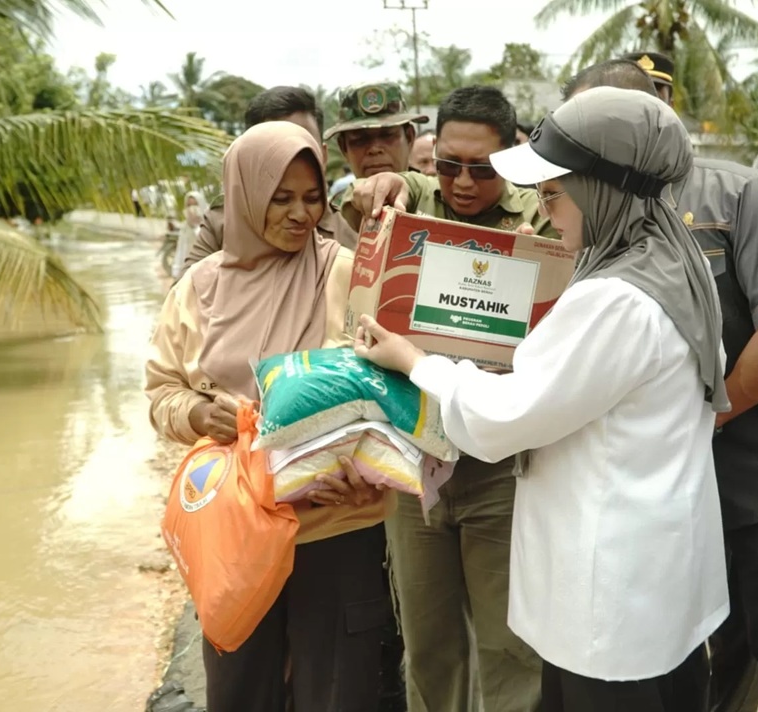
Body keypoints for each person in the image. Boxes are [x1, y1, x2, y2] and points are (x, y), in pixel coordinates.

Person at [355, 86, 730, 712]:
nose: (548, 213)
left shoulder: (610, 298)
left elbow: (504, 418)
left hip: (608, 591)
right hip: (658, 572)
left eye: (554, 194)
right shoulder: (676, 260)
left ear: (601, 189)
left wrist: (417, 362)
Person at [564, 59, 758, 712]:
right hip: (652, 503)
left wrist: (709, 413)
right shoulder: (581, 213)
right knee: (695, 673)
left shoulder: (738, 196)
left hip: (753, 487)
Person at [146, 122, 392, 712]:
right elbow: (161, 394)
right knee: (240, 690)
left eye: (312, 198)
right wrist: (202, 414)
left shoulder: (347, 272)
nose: (299, 214)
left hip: (337, 524)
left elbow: (391, 385)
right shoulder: (198, 289)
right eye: (280, 199)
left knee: (338, 692)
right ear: (244, 197)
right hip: (236, 531)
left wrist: (372, 473)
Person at [344, 85, 554, 712]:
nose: (463, 183)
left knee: (510, 645)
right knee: (430, 644)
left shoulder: (540, 215)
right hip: (411, 461)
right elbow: (356, 195)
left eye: (482, 169)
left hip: (498, 467)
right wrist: (372, 192)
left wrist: (539, 263)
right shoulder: (410, 197)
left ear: (511, 158)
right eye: (449, 165)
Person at [182, 86, 358, 273]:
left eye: (304, 146)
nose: (291, 157)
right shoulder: (222, 223)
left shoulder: (351, 225)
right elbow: (187, 293)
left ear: (322, 155)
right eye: (274, 150)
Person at [325, 82, 427, 190]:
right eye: (360, 139)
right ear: (343, 148)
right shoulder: (332, 206)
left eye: (387, 135)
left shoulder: (439, 200)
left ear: (409, 138)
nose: (374, 149)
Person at [170, 190, 205, 280]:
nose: (192, 208)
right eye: (189, 205)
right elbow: (181, 251)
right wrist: (177, 272)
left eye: (195, 205)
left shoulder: (209, 224)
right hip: (188, 273)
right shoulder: (185, 228)